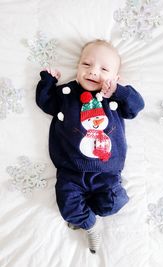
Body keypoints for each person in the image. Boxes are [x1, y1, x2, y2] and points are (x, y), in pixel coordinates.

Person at [36, 39, 145, 254]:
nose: (93, 71)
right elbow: (45, 102)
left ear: (115, 78)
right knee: (67, 206)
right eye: (86, 64)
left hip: (107, 170)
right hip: (70, 169)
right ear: (78, 68)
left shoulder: (112, 97)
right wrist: (48, 81)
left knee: (116, 201)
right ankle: (89, 225)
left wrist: (119, 91)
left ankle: (89, 212)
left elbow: (136, 107)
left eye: (104, 69)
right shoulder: (66, 94)